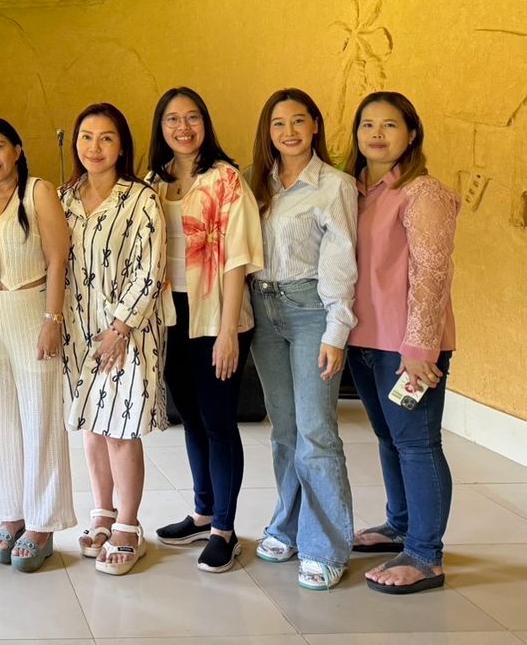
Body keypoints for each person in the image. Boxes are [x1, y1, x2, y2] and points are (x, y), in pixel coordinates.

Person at [344, 91, 459, 594]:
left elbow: (432, 274)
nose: (376, 134)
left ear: (411, 135)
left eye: (389, 125)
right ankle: (400, 525)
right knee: (389, 438)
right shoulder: (357, 191)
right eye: (367, 124)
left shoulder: (423, 192)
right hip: (365, 341)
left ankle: (425, 554)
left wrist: (420, 349)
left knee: (417, 444)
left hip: (408, 347)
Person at [148, 86, 263, 573]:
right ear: (160, 128)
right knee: (191, 419)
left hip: (216, 313)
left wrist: (229, 331)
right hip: (170, 315)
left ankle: (225, 530)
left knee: (217, 422)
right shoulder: (154, 182)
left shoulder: (225, 179)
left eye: (192, 117)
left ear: (205, 123)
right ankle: (202, 512)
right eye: (172, 119)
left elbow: (238, 258)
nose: (183, 127)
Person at [246, 88, 357, 590]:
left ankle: (326, 546)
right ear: (267, 132)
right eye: (278, 123)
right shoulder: (256, 183)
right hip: (263, 309)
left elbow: (341, 258)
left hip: (311, 308)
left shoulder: (335, 185)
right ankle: (288, 525)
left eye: (298, 121)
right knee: (285, 430)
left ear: (315, 125)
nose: (288, 132)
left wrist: (337, 330)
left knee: (316, 431)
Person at [61, 103, 170, 577]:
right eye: (86, 137)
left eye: (106, 137)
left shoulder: (141, 199)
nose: (95, 147)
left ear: (121, 145)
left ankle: (128, 525)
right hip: (78, 329)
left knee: (121, 428)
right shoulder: (64, 198)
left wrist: (120, 327)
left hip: (127, 330)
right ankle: (102, 514)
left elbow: (151, 269)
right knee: (92, 423)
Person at [0, 117, 74, 573]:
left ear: (17, 149)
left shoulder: (38, 191)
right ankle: (11, 513)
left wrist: (52, 319)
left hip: (32, 314)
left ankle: (43, 523)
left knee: (40, 417)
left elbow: (58, 257)